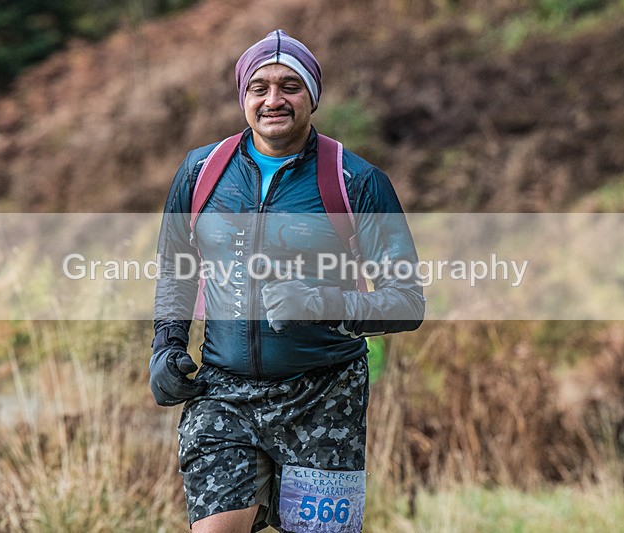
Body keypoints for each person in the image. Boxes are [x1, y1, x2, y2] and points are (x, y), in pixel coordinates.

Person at [150, 29, 425, 533]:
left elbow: (407, 301)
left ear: (312, 97)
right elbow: (175, 268)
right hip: (223, 392)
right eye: (260, 87)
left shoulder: (355, 181)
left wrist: (321, 301)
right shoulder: (201, 171)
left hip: (323, 397)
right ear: (243, 98)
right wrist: (165, 345)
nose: (273, 99)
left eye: (290, 86)